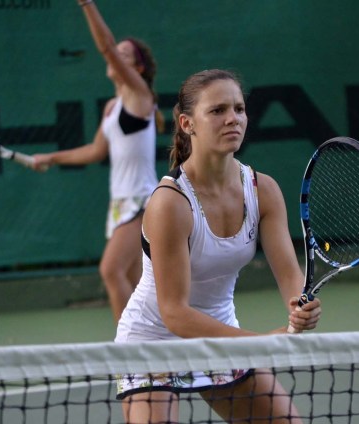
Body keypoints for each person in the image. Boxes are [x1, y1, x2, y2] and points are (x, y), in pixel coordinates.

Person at [114, 69, 322, 423]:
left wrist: (299, 308)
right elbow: (175, 312)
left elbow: (290, 275)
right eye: (217, 111)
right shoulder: (170, 204)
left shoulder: (263, 190)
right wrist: (257, 342)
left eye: (239, 109)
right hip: (152, 341)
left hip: (220, 330)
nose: (233, 119)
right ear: (187, 123)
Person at [32, 0, 164, 323]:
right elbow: (94, 151)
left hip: (141, 202)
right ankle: (162, 348)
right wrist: (51, 157)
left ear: (138, 68)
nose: (115, 57)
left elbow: (105, 46)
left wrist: (86, 4)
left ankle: (129, 354)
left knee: (110, 270)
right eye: (116, 54)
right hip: (119, 205)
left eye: (124, 55)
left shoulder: (140, 95)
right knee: (136, 287)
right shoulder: (112, 107)